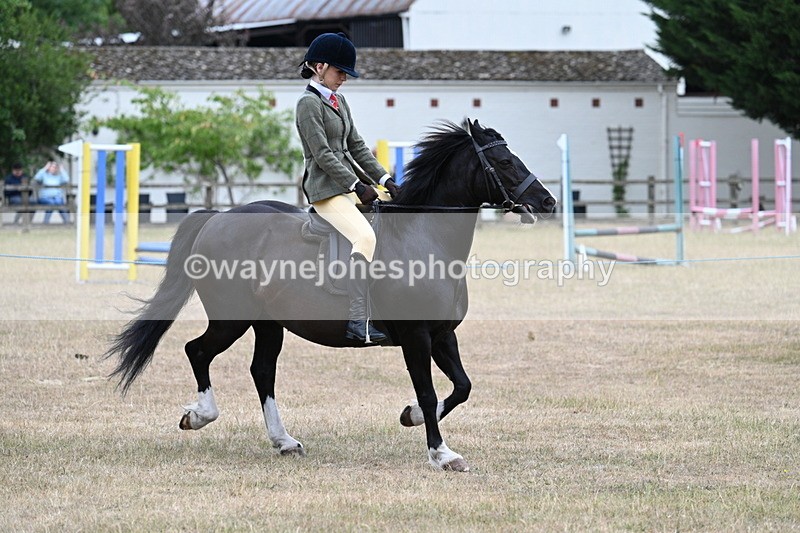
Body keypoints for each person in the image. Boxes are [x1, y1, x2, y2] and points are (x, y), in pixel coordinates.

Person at [295, 32, 400, 345]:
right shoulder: (308, 104)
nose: (344, 79)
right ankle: (358, 319)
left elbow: (357, 146)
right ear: (319, 66)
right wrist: (356, 185)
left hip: (348, 187)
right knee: (365, 236)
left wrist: (384, 180)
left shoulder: (339, 101)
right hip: (326, 191)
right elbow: (323, 154)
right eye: (340, 72)